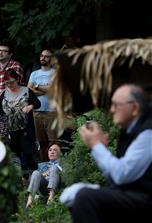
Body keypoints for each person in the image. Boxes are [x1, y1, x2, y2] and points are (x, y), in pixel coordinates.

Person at [61, 84, 152, 222]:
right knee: (78, 196)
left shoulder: (148, 133)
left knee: (85, 197)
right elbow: (116, 179)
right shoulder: (129, 131)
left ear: (134, 108)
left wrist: (97, 146)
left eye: (116, 105)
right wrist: (99, 147)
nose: (112, 109)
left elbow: (122, 175)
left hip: (146, 202)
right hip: (134, 198)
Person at [0, 68, 40, 175]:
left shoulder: (26, 91)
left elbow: (38, 103)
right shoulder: (4, 93)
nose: (9, 85)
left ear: (17, 79)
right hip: (11, 130)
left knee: (27, 152)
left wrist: (30, 106)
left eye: (11, 82)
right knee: (15, 153)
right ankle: (22, 177)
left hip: (26, 128)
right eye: (6, 83)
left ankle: (34, 173)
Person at [28, 49, 57, 161]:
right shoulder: (34, 74)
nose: (43, 58)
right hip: (37, 112)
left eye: (46, 56)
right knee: (41, 143)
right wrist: (47, 89)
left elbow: (55, 90)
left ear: (51, 59)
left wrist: (37, 87)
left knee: (53, 142)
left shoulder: (55, 73)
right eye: (41, 56)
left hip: (51, 112)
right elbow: (29, 90)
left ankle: (54, 167)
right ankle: (43, 167)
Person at [26, 143, 62, 208]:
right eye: (50, 150)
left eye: (55, 150)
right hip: (43, 187)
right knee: (36, 173)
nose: (52, 152)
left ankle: (51, 197)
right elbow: (33, 178)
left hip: (57, 186)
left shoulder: (65, 164)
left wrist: (53, 170)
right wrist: (43, 174)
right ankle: (30, 200)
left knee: (54, 167)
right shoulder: (41, 165)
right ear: (48, 153)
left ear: (60, 153)